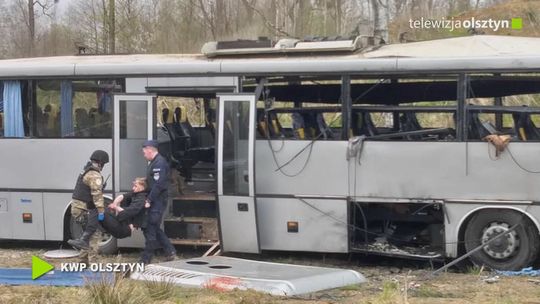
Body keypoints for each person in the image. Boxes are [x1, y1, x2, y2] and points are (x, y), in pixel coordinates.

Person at [67, 150, 109, 264]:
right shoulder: (94, 174)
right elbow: (96, 195)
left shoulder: (86, 170)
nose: (103, 167)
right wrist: (101, 211)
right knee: (94, 235)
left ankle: (82, 262)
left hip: (79, 208)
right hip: (82, 208)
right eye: (104, 164)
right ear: (100, 163)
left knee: (88, 236)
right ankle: (93, 265)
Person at [140, 140, 176, 264]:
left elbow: (158, 185)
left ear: (150, 150)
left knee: (151, 226)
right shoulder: (154, 162)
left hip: (157, 200)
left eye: (144, 152)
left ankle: (146, 259)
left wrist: (149, 199)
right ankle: (170, 251)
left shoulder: (159, 163)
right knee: (154, 227)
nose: (144, 155)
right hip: (156, 199)